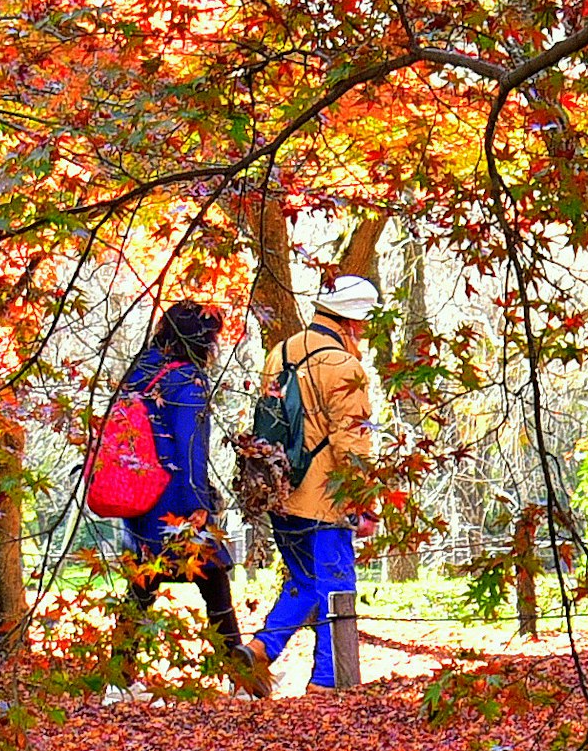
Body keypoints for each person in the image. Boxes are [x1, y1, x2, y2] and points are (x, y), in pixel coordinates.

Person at [107, 301, 267, 696]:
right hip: (177, 500)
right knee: (214, 581)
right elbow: (190, 447)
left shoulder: (140, 371)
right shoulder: (187, 380)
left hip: (138, 497)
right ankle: (243, 679)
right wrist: (200, 501)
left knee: (141, 585)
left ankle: (117, 678)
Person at [256, 271, 383, 690]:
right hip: (326, 500)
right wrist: (363, 502)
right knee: (335, 589)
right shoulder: (344, 366)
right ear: (350, 321)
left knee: (304, 582)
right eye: (363, 322)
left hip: (279, 491)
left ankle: (259, 651)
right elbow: (353, 441)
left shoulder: (280, 352)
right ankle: (330, 680)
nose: (364, 331)